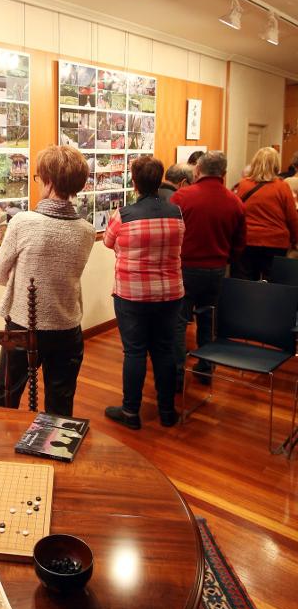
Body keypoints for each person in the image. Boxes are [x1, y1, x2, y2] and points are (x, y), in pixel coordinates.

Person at [0, 145, 95, 416]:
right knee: (60, 406)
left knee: (4, 399)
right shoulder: (87, 230)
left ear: (48, 182)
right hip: (67, 328)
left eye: (38, 178)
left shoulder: (23, 222)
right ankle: (53, 456)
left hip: (24, 325)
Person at [103, 156, 184, 430]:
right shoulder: (177, 212)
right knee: (164, 350)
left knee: (135, 351)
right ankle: (167, 411)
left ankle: (130, 413)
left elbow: (107, 242)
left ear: (134, 182)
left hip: (132, 295)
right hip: (171, 293)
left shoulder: (123, 215)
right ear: (160, 179)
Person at [171, 151, 246, 387]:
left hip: (184, 268)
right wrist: (225, 260)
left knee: (179, 323)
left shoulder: (182, 197)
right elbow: (239, 243)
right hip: (216, 269)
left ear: (197, 170)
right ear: (223, 173)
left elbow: (171, 233)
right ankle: (205, 369)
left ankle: (175, 374)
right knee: (208, 320)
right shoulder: (235, 202)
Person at [232, 147, 298, 280]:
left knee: (245, 282)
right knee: (274, 282)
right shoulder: (282, 187)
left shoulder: (243, 185)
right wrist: (295, 239)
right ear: (276, 165)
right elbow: (292, 218)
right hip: (276, 242)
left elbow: (236, 213)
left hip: (247, 240)